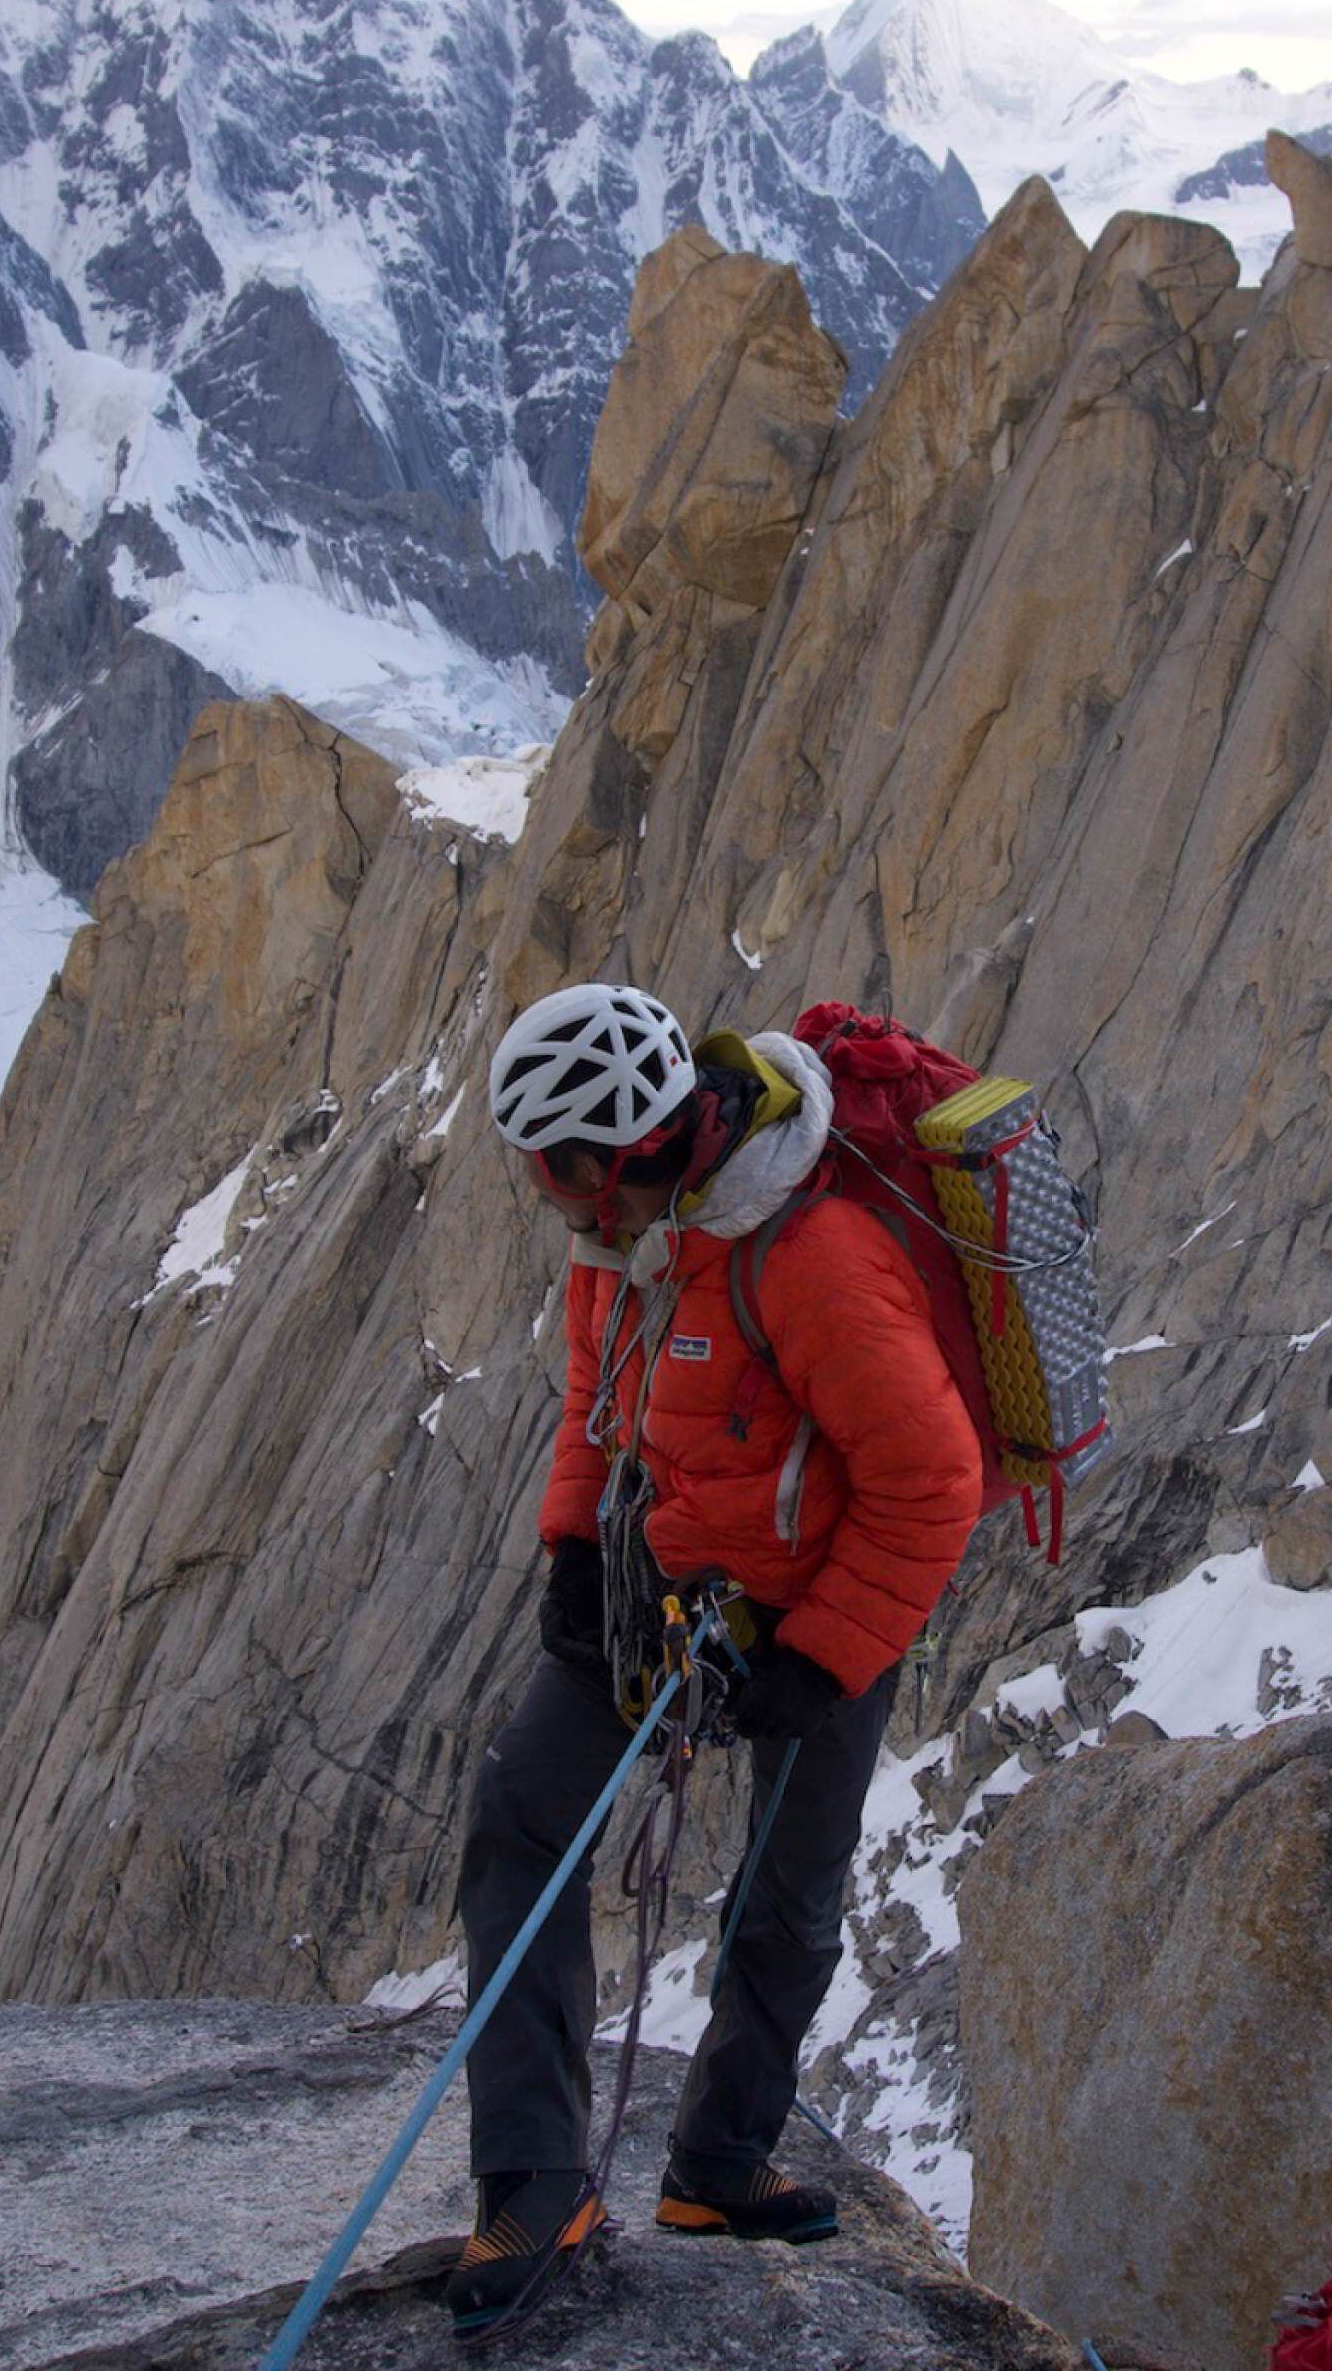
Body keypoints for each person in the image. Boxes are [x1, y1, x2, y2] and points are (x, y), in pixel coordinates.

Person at [446, 981, 984, 2333]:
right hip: (657, 1588)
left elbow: (930, 1482)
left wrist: (818, 1661)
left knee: (785, 1895)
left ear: (625, 1148)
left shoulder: (815, 1259)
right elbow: (598, 1393)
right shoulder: (620, 1236)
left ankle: (720, 2166)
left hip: (816, 1611)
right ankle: (533, 2187)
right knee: (523, 1813)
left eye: (557, 1166)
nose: (545, 1192)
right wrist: (574, 1550)